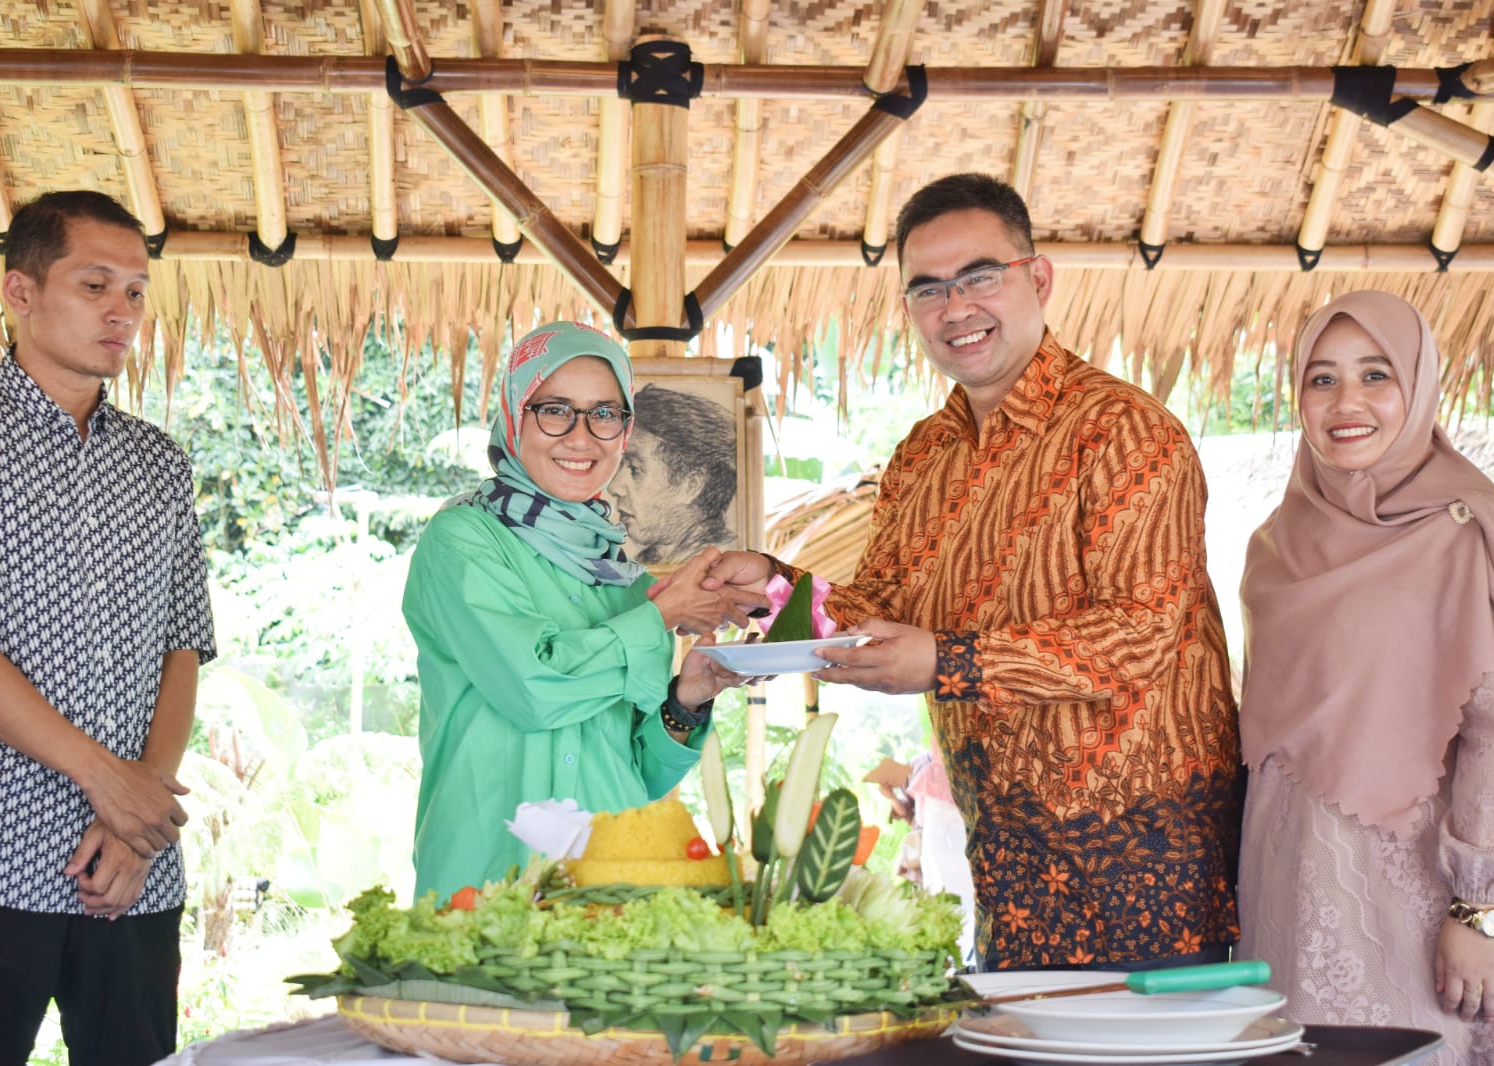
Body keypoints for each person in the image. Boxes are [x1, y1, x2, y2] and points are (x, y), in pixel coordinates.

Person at [697, 173, 1243, 971]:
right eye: (928, 289)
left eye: (980, 277)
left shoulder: (1125, 431)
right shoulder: (923, 454)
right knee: (1016, 1036)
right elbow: (877, 608)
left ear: (1038, 278)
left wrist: (948, 663)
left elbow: (1140, 636)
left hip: (1143, 851)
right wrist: (773, 585)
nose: (955, 308)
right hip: (1004, 851)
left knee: (1145, 1039)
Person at [1237, 290, 1494, 1063]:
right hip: (1290, 886)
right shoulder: (1273, 548)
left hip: (1429, 903)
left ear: (1420, 385)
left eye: (1376, 375)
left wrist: (1480, 912)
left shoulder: (1468, 533)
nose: (1346, 402)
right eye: (1322, 379)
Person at [401, 322, 767, 900]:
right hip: (486, 880)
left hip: (612, 882)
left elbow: (639, 774)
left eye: (604, 414)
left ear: (624, 430)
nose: (581, 437)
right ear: (515, 415)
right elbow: (533, 688)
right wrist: (660, 617)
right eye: (554, 411)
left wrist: (687, 699)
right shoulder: (462, 540)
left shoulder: (620, 575)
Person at [0, 191, 217, 1066]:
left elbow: (183, 644)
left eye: (134, 291)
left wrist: (137, 814)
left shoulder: (159, 463)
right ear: (20, 291)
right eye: (94, 286)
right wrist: (106, 781)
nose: (121, 311)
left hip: (130, 872)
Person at [606, 383, 738, 564]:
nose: (614, 487)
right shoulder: (650, 560)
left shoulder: (721, 563)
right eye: (620, 464)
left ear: (691, 485)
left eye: (635, 470)